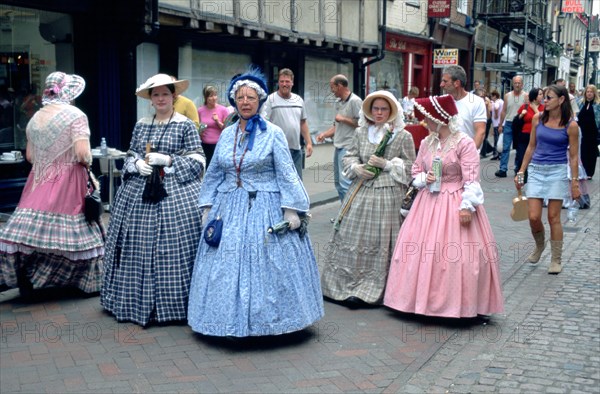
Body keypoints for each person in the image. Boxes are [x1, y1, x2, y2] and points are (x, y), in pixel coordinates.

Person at [187, 67, 324, 337]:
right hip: (229, 206)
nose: (245, 102)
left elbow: (286, 172)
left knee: (268, 261)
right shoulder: (227, 134)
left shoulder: (272, 133)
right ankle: (224, 322)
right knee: (226, 264)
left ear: (260, 101)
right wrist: (207, 205)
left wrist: (292, 209)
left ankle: (270, 323)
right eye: (240, 98)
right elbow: (215, 171)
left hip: (265, 205)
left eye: (251, 97)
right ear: (234, 101)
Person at [384, 94, 504, 318]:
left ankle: (455, 305)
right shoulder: (427, 142)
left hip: (455, 199)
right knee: (420, 251)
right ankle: (415, 302)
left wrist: (467, 206)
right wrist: (423, 178)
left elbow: (471, 178)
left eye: (428, 117)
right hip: (428, 201)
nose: (424, 121)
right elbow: (416, 170)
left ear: (440, 118)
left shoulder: (464, 143)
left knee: (455, 256)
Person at [101, 74, 205, 326]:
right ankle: (135, 302)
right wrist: (136, 163)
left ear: (173, 97)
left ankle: (174, 306)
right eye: (155, 95)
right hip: (139, 195)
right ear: (150, 99)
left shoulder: (185, 125)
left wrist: (169, 161)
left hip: (175, 195)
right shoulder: (141, 125)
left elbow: (199, 161)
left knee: (174, 247)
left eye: (165, 94)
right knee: (136, 245)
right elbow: (130, 155)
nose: (160, 99)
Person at [0, 72, 104, 297]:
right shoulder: (76, 115)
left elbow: (30, 156)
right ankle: (77, 280)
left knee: (31, 228)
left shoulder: (36, 117)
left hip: (39, 177)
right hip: (68, 178)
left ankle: (31, 274)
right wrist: (86, 164)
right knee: (76, 227)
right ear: (68, 92)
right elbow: (83, 153)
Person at [320, 90, 415, 307]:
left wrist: (388, 165)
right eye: (375, 108)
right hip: (361, 190)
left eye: (383, 109)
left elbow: (412, 167)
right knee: (350, 236)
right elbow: (350, 155)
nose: (379, 113)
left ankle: (374, 288)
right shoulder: (361, 132)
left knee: (379, 240)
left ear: (391, 111)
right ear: (369, 111)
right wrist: (357, 167)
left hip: (388, 193)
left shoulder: (402, 135)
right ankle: (345, 284)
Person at [515, 84, 580, 275]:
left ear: (561, 100)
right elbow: (531, 147)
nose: (545, 100)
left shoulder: (571, 125)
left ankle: (556, 258)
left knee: (553, 217)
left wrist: (574, 182)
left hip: (557, 171)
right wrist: (521, 172)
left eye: (549, 97)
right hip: (536, 170)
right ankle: (540, 245)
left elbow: (574, 156)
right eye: (545, 97)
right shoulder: (538, 119)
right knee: (534, 216)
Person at [316, 74, 363, 202]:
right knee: (338, 184)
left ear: (340, 86)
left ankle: (347, 215)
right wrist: (324, 135)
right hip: (338, 145)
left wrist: (343, 118)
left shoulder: (355, 101)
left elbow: (362, 123)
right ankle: (343, 213)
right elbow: (337, 126)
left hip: (348, 147)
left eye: (333, 87)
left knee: (345, 183)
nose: (332, 91)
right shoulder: (338, 102)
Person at [261, 68, 313, 179]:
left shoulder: (298, 100)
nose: (284, 84)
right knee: (281, 181)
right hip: (277, 150)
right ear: (278, 83)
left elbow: (303, 122)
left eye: (287, 81)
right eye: (282, 81)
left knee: (297, 182)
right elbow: (264, 124)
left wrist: (309, 142)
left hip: (296, 150)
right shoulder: (270, 100)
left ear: (292, 83)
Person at [439, 65, 487, 150]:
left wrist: (470, 154)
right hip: (443, 156)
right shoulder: (441, 101)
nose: (441, 84)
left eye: (445, 81)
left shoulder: (477, 102)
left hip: (465, 156)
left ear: (457, 83)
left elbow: (480, 131)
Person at [496, 75, 528, 178]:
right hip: (509, 123)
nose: (517, 85)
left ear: (522, 84)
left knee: (519, 148)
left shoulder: (526, 96)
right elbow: (504, 110)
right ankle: (503, 169)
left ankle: (517, 168)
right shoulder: (507, 96)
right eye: (515, 83)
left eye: (519, 83)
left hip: (520, 124)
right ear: (512, 84)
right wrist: (500, 124)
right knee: (505, 147)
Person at [514, 88, 544, 180]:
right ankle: (520, 180)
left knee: (535, 161)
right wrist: (521, 115)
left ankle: (533, 180)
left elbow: (543, 121)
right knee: (521, 160)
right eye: (540, 94)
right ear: (534, 96)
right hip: (524, 136)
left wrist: (535, 110)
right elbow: (516, 121)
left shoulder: (544, 108)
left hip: (537, 137)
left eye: (542, 94)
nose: (542, 96)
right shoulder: (525, 106)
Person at [198, 85, 229, 167]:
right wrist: (200, 132)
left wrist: (217, 121)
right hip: (204, 145)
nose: (214, 98)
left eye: (215, 95)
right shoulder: (200, 110)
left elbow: (227, 129)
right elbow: (198, 127)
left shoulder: (223, 110)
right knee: (206, 167)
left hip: (218, 145)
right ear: (206, 97)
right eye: (211, 96)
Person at [578, 85, 600, 180]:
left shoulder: (597, 105)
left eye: (591, 92)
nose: (589, 93)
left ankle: (590, 172)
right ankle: (583, 171)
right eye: (587, 92)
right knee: (582, 151)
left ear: (594, 93)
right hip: (582, 131)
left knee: (591, 152)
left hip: (593, 132)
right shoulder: (580, 103)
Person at [489, 90, 503, 160]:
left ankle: (496, 154)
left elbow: (496, 108)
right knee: (500, 139)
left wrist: (496, 115)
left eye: (492, 96)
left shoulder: (497, 102)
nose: (491, 98)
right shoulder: (502, 101)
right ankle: (499, 154)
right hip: (501, 123)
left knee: (496, 139)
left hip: (496, 123)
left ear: (495, 96)